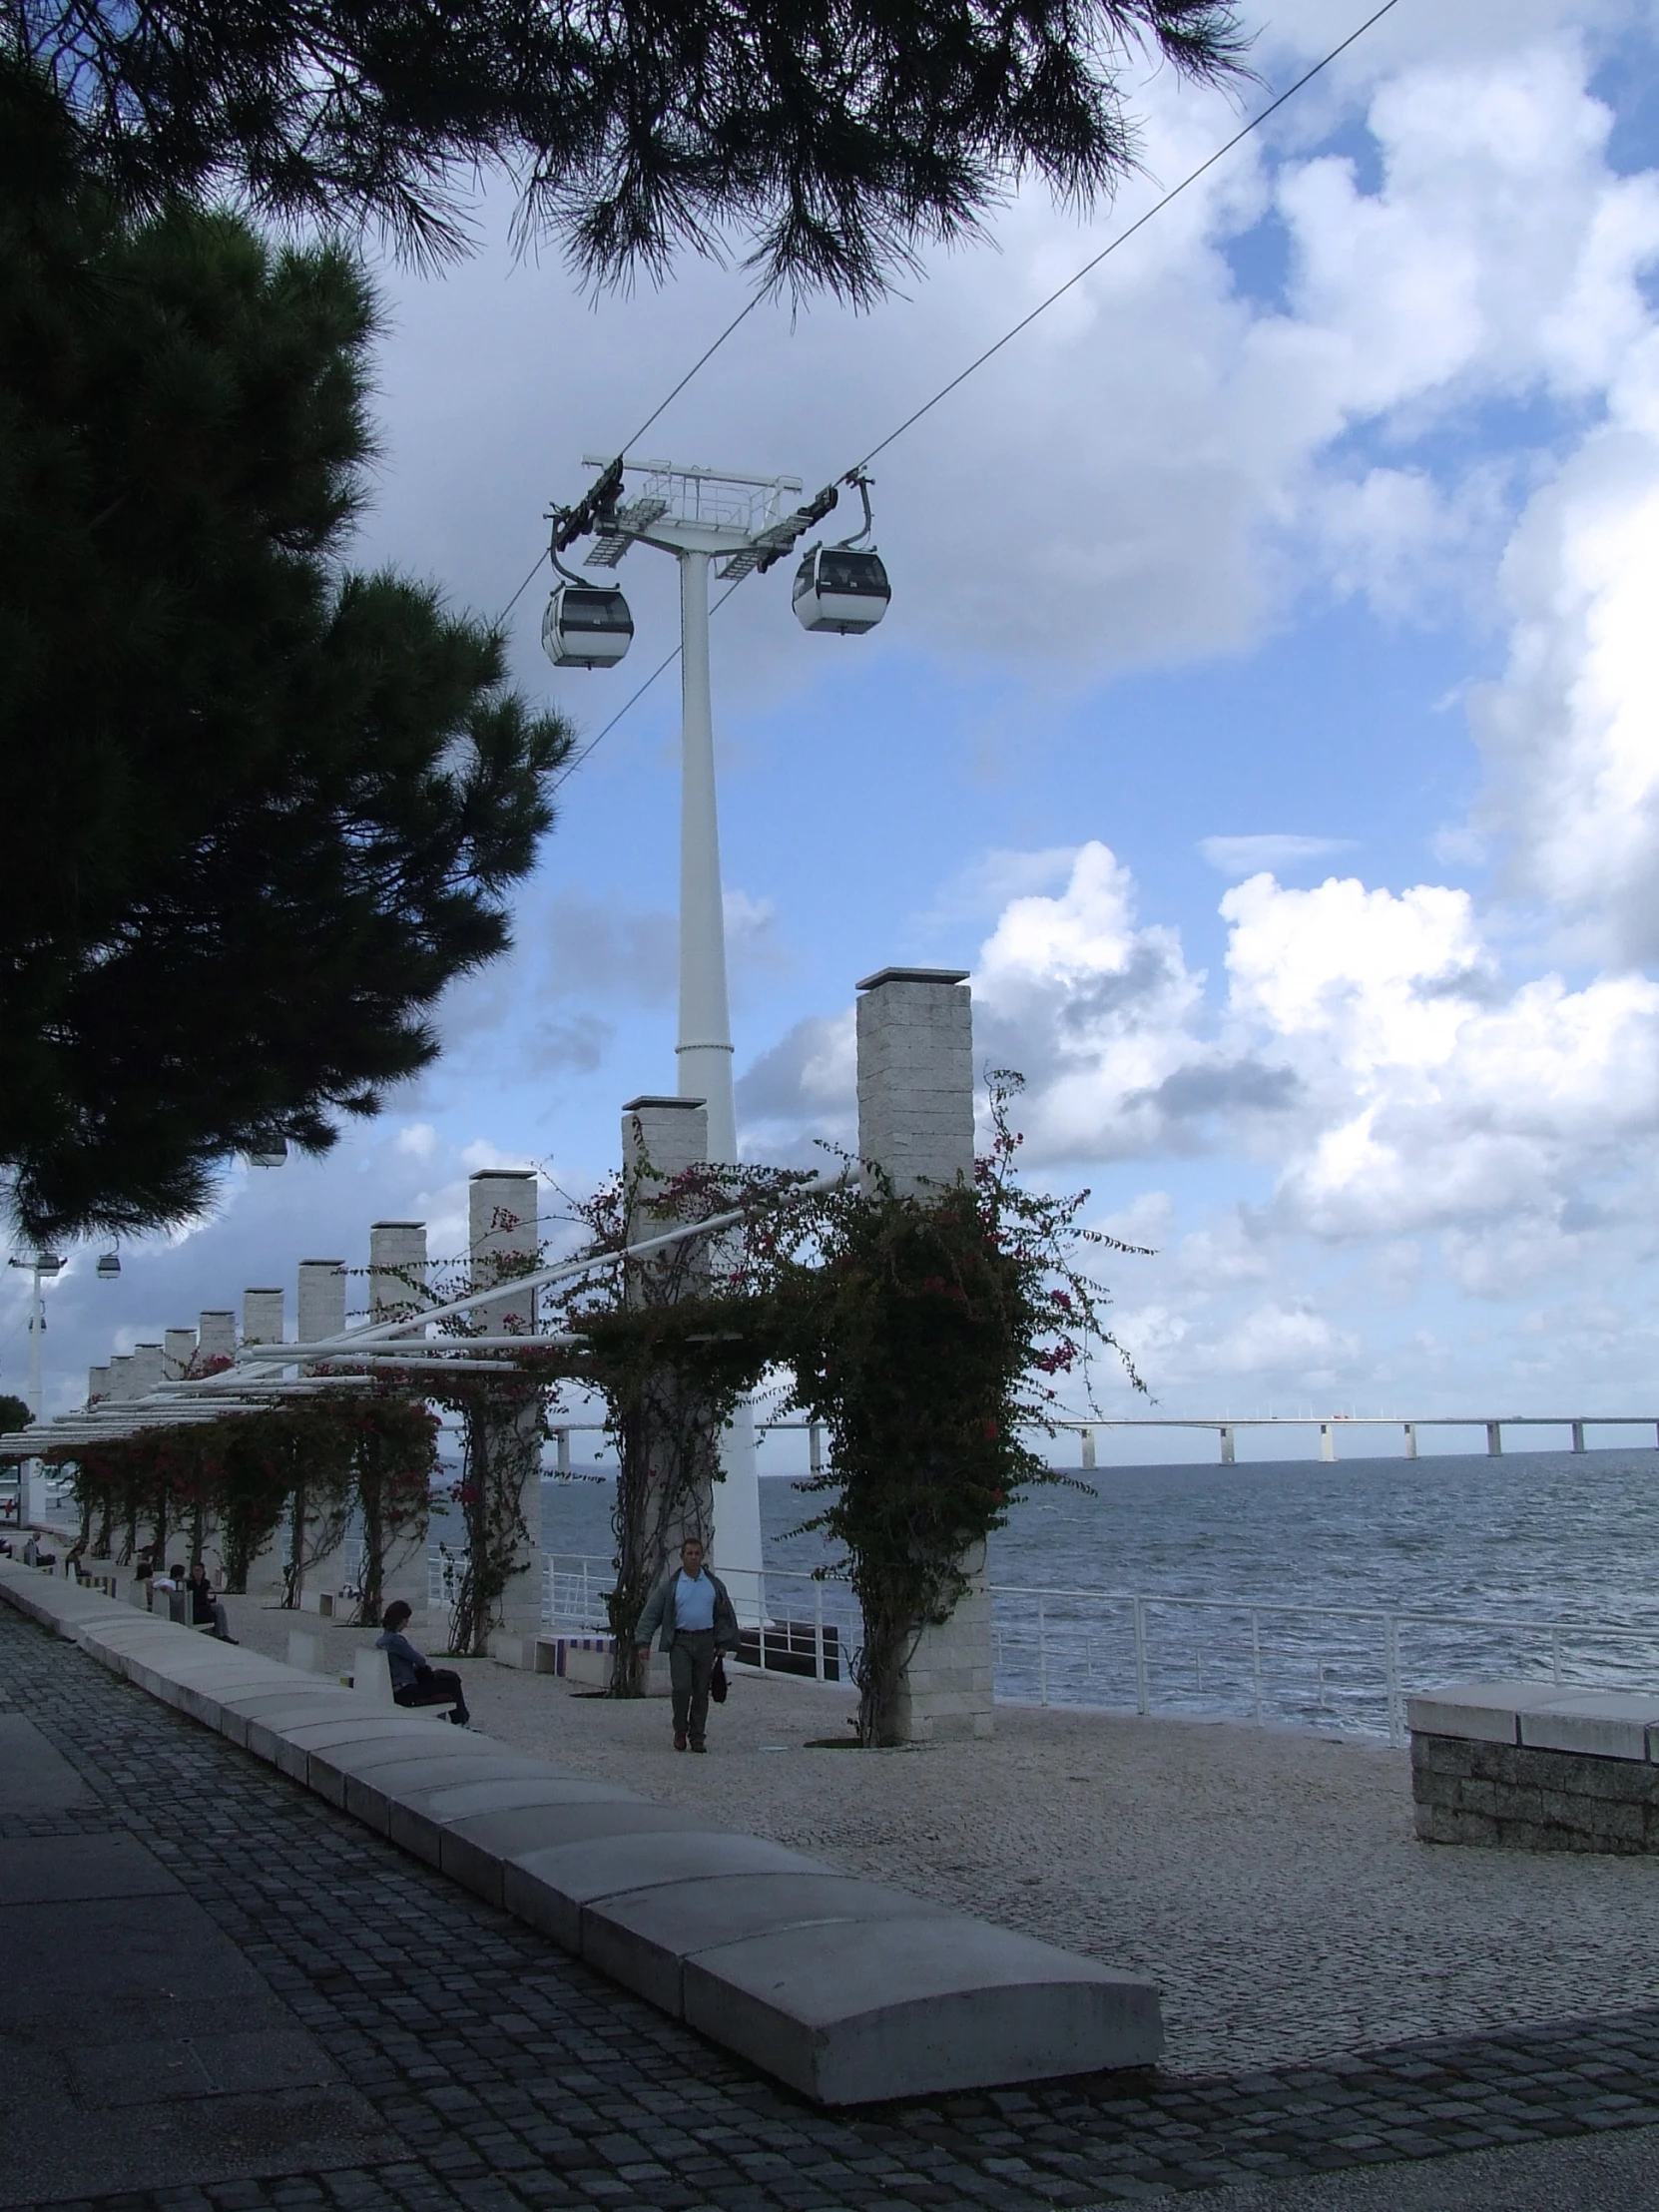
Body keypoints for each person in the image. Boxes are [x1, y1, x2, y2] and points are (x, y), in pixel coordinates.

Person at [634, 1536, 740, 1754]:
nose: (693, 1557)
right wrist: (643, 1642)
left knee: (701, 1691)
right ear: (682, 1557)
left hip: (706, 1640)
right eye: (689, 1553)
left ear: (702, 1556)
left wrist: (723, 1644)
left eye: (697, 1553)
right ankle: (680, 1730)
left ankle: (697, 1736)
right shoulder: (671, 1587)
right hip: (680, 1641)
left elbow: (724, 1615)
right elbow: (651, 1613)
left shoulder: (714, 1585)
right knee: (682, 1688)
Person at [375, 1600, 469, 1725]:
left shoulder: (381, 1641)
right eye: (406, 1621)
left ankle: (461, 1720)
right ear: (400, 1620)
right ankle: (461, 1721)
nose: (406, 1624)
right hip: (406, 1691)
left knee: (447, 1678)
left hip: (396, 1689)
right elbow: (420, 1660)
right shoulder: (396, 1641)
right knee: (452, 1682)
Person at [185, 1558, 237, 1642]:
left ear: (203, 1572)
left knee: (219, 1607)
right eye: (195, 1570)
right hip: (195, 1606)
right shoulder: (189, 1584)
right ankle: (221, 1634)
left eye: (199, 1571)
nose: (197, 1573)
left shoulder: (206, 1583)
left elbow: (208, 1596)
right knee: (216, 1608)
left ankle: (223, 1633)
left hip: (205, 1604)